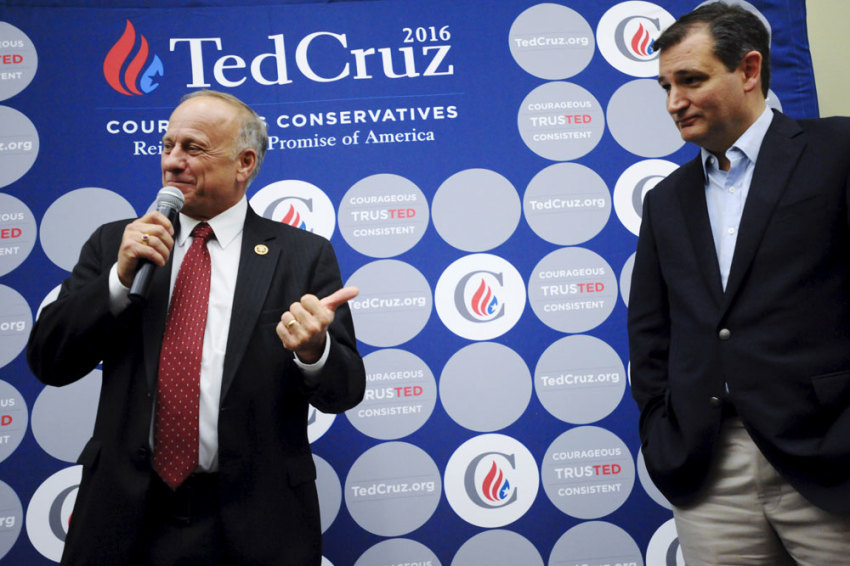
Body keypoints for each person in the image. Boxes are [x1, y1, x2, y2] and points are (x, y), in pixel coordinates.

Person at [27, 89, 366, 565]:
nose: (172, 162)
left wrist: (314, 351)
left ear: (244, 163)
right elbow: (49, 361)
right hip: (125, 518)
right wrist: (118, 281)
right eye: (167, 146)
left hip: (257, 521)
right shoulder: (115, 245)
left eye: (193, 148)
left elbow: (345, 391)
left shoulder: (302, 255)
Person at [628, 2, 850, 564]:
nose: (675, 101)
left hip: (832, 461)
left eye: (691, 80)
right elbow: (651, 334)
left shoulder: (837, 152)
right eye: (665, 87)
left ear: (749, 70)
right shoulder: (665, 201)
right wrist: (661, 431)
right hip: (708, 473)